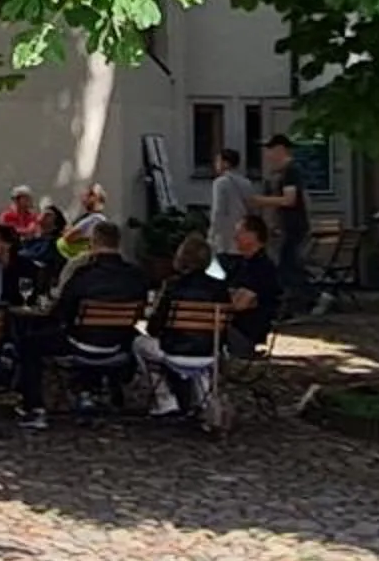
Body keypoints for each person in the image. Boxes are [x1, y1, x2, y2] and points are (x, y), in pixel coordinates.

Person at [36, 219, 153, 422]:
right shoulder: (136, 276)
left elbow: (61, 313)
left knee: (30, 342)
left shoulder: (84, 276)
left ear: (93, 242)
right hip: (118, 345)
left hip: (81, 344)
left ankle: (33, 403)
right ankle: (104, 389)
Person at [135, 234, 236, 416]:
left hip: (174, 351)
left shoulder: (172, 286)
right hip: (209, 352)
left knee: (138, 344)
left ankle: (165, 398)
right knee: (201, 346)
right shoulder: (220, 289)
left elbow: (153, 328)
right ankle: (203, 399)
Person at [253, 135, 315, 318]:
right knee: (286, 265)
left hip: (292, 225)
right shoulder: (277, 173)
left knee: (288, 265)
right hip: (281, 226)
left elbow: (290, 199)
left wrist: (260, 201)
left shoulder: (290, 171)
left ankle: (307, 300)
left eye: (270, 149)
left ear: (280, 149)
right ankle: (298, 302)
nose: (267, 154)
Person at [222, 214, 283, 353]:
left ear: (253, 235)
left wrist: (227, 296)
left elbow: (240, 303)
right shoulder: (239, 265)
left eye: (240, 232)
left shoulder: (261, 267)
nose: (235, 237)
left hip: (243, 334)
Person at [205, 147, 255, 262]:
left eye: (218, 161)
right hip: (243, 236)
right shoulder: (246, 183)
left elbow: (218, 211)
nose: (216, 164)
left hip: (225, 238)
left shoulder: (220, 183)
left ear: (225, 163)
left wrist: (211, 235)